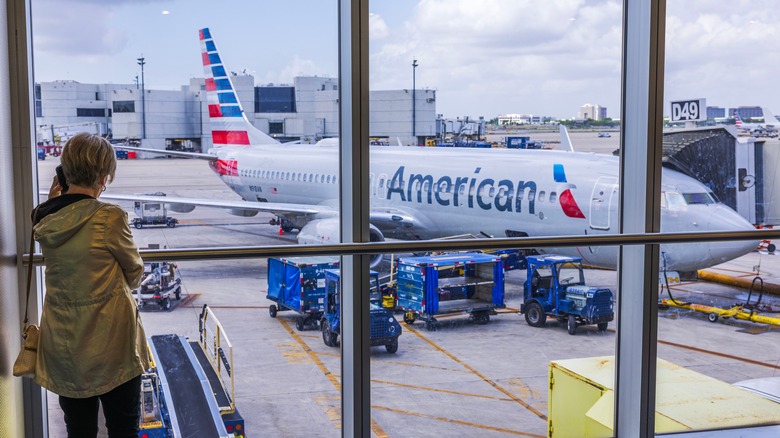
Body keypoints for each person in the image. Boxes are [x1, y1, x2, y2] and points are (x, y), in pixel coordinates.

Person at [32, 132, 148, 438]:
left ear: (64, 171)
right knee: (124, 429)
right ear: (103, 175)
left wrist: (53, 200)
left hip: (65, 346)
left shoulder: (45, 221)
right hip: (113, 347)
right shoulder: (108, 217)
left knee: (79, 430)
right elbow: (135, 274)